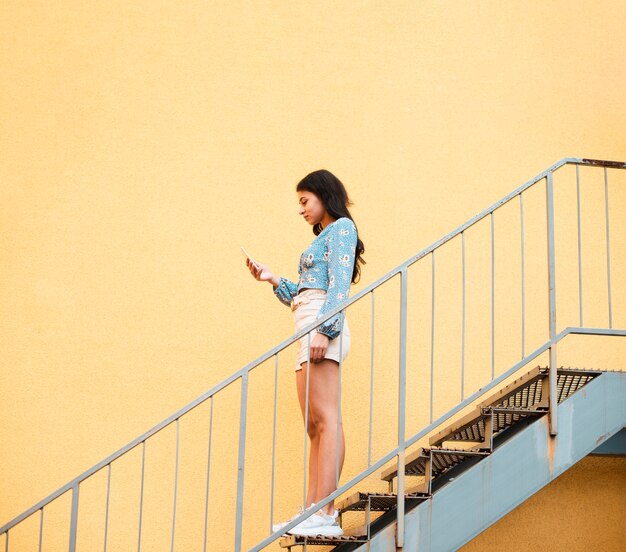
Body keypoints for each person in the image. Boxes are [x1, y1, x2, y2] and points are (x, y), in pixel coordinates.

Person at [245, 169, 365, 538]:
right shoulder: (327, 235)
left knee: (327, 420)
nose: (301, 210)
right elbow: (305, 291)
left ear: (323, 195)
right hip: (307, 324)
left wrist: (326, 331)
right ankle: (313, 509)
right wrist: (272, 279)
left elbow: (338, 284)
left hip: (321, 326)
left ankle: (324, 512)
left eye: (304, 201)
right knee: (314, 426)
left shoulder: (343, 228)